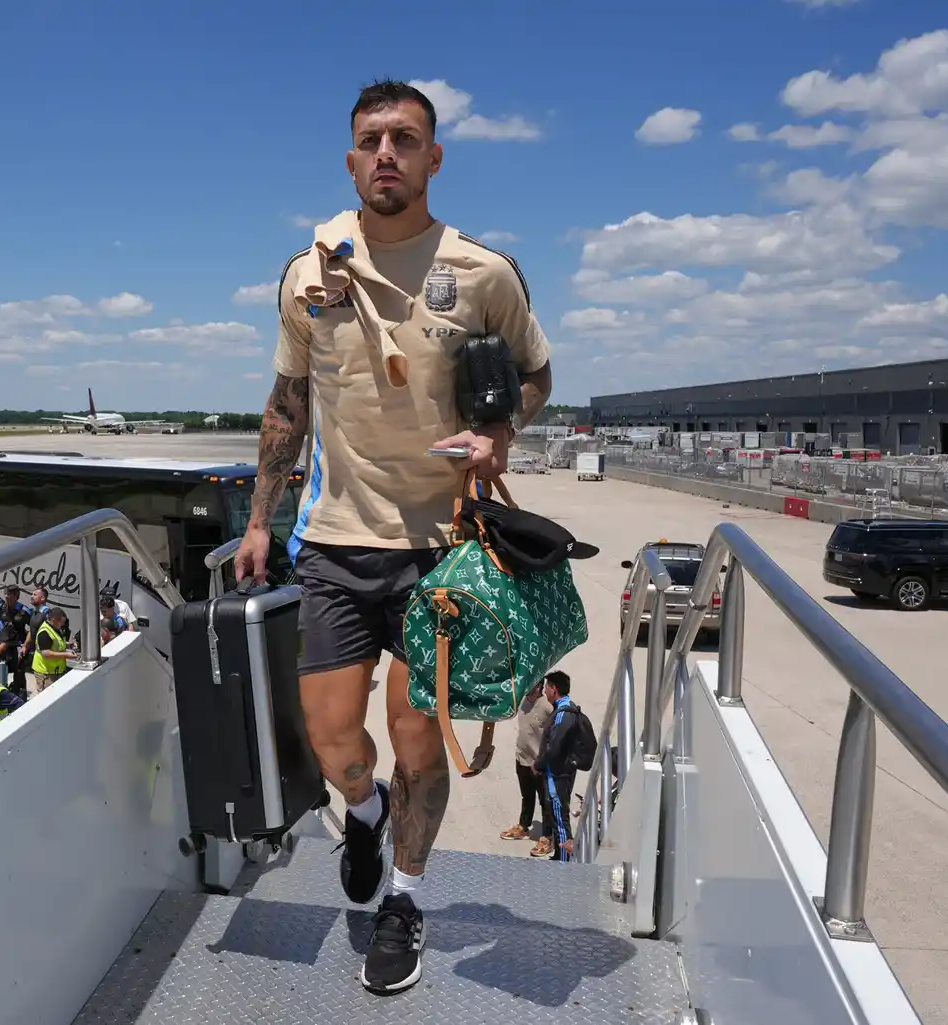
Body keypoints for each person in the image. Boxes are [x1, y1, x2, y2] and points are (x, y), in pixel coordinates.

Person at [232, 79, 553, 995]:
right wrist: (258, 519)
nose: (387, 154)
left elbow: (536, 373)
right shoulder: (308, 273)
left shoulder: (483, 273)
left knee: (418, 742)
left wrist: (500, 432)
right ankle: (364, 812)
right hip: (335, 542)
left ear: (433, 158)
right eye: (372, 140)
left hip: (442, 549)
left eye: (405, 139)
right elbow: (288, 405)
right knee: (335, 740)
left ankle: (404, 900)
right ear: (350, 160)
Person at [500, 677, 558, 859]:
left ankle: (548, 837)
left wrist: (544, 759)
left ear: (540, 686)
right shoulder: (524, 701)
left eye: (531, 684)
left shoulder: (547, 707)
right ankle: (523, 827)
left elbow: (555, 736)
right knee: (527, 796)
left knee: (545, 801)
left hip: (539, 764)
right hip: (522, 758)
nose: (527, 688)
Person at [532, 671, 579, 863]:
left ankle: (564, 862)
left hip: (558, 776)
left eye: (547, 687)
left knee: (560, 818)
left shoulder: (563, 714)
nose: (545, 691)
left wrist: (539, 764)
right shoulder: (564, 709)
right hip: (559, 773)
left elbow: (554, 747)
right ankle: (560, 855)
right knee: (558, 816)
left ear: (554, 689)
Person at [28, 605, 72, 695]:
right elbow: (46, 653)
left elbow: (56, 642)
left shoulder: (56, 628)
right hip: (45, 673)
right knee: (47, 697)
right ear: (54, 620)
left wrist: (68, 645)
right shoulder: (44, 632)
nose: (63, 624)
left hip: (56, 671)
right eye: (61, 622)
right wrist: (66, 655)